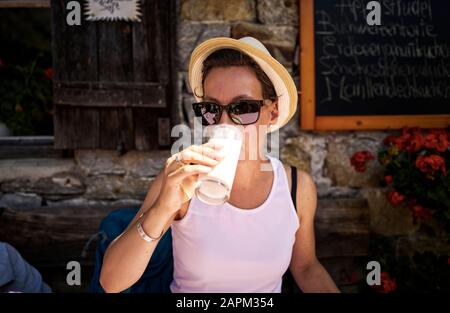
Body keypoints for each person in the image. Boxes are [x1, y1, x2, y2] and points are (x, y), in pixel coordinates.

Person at [99, 37, 340, 293]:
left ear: (272, 112)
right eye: (211, 109)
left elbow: (305, 267)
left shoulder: (296, 187)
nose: (224, 122)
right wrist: (162, 209)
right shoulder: (182, 179)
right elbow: (111, 282)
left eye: (243, 107)